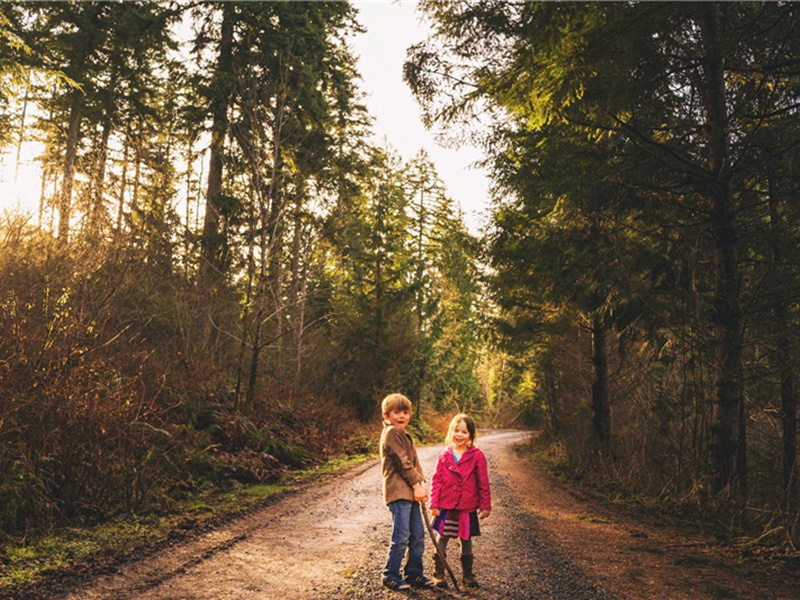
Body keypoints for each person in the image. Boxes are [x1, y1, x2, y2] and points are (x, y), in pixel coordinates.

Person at [379, 393, 435, 591]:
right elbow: (402, 463)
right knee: (401, 536)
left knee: (417, 535)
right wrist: (416, 485)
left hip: (411, 493)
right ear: (386, 415)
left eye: (405, 412)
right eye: (397, 412)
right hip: (399, 493)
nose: (402, 416)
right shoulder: (391, 433)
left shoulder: (403, 434)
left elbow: (414, 464)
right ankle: (390, 575)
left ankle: (414, 573)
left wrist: (422, 485)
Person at [429, 413, 492, 588]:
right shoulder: (444, 455)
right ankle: (438, 573)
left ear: (471, 435)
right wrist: (434, 503)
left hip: (467, 506)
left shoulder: (477, 455)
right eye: (456, 431)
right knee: (442, 537)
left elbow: (483, 482)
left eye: (464, 432)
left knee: (466, 539)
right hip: (446, 506)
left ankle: (467, 575)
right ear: (451, 432)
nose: (459, 435)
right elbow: (437, 480)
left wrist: (485, 505)